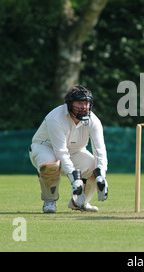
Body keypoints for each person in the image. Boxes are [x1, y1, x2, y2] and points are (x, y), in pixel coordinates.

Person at [29, 85, 108, 213]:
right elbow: (60, 151)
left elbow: (100, 151)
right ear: (70, 104)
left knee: (95, 167)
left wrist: (101, 176)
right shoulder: (55, 118)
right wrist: (75, 179)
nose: (84, 107)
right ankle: (50, 200)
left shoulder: (94, 120)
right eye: (80, 103)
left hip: (75, 151)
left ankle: (80, 202)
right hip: (44, 148)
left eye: (87, 103)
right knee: (51, 164)